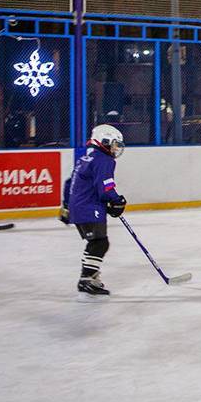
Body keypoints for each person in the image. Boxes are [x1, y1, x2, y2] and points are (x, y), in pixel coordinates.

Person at [61, 125, 128, 296]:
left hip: (80, 208)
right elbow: (105, 187)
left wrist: (67, 207)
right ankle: (87, 279)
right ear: (104, 141)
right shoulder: (104, 160)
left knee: (96, 242)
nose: (115, 148)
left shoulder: (85, 157)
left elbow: (69, 183)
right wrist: (117, 200)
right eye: (113, 144)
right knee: (99, 243)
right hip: (89, 209)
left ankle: (88, 277)